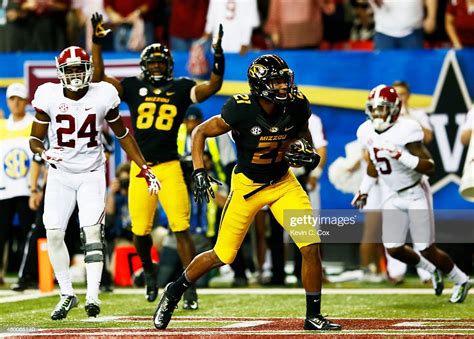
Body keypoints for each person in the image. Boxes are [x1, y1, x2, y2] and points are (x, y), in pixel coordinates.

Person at [153, 54, 341, 331]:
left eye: (283, 80)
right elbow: (200, 133)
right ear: (260, 84)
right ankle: (174, 290)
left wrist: (308, 154)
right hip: (248, 187)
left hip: (283, 183)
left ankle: (313, 316)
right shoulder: (240, 108)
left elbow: (302, 134)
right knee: (222, 254)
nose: (283, 87)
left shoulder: (297, 104)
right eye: (276, 81)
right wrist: (198, 170)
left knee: (310, 246)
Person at [91, 13, 225, 305]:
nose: (156, 68)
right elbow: (99, 78)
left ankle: (190, 289)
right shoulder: (132, 87)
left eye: (160, 64)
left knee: (182, 229)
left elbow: (212, 86)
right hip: (143, 169)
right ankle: (150, 273)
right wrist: (97, 44)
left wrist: (218, 55)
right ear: (143, 66)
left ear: (168, 66)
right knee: (140, 231)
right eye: (152, 64)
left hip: (170, 167)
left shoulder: (179, 88)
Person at [29, 45, 160, 320]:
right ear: (61, 72)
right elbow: (34, 138)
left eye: (80, 68)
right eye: (71, 69)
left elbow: (123, 134)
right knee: (53, 233)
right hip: (60, 174)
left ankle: (92, 295)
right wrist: (42, 151)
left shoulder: (103, 94)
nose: (76, 74)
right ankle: (67, 293)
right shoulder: (49, 95)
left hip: (90, 173)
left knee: (91, 232)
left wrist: (144, 166)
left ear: (88, 69)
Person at [352, 84, 472, 303]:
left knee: (426, 248)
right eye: (375, 109)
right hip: (392, 193)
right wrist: (364, 190)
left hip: (415, 192)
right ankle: (431, 270)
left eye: (383, 108)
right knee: (393, 249)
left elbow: (430, 166)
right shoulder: (365, 131)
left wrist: (400, 155)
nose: (378, 114)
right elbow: (374, 164)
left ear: (395, 109)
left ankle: (460, 279)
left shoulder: (407, 128)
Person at [0, 83, 35, 286]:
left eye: (19, 99)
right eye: (12, 99)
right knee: (1, 234)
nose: (16, 102)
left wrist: (36, 187)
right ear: (7, 101)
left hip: (26, 188)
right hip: (4, 189)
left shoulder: (33, 124)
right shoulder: (3, 126)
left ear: (26, 101)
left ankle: (28, 274)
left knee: (26, 233)